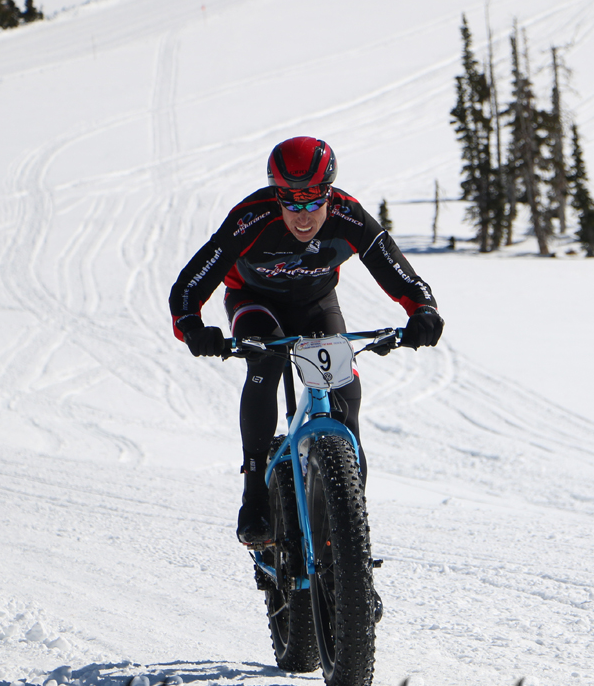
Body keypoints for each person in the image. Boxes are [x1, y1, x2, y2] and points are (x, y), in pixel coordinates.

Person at [169, 137, 444, 546]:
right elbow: (190, 285)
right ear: (275, 195)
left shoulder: (349, 217)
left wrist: (423, 310)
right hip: (254, 303)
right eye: (290, 201)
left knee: (344, 392)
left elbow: (398, 271)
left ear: (329, 194)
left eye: (313, 201)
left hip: (316, 303)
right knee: (268, 358)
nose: (302, 215)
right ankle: (255, 493)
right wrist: (192, 327)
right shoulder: (249, 219)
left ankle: (353, 544)